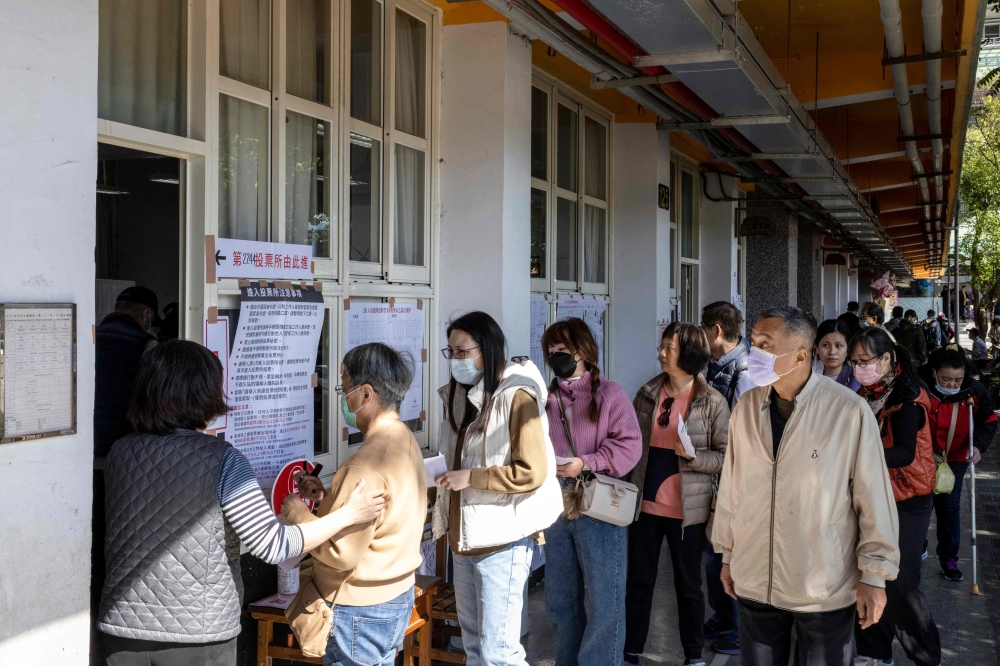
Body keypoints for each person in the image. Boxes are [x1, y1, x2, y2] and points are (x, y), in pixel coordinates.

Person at [98, 341, 385, 665]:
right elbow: (273, 546)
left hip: (120, 628)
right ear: (203, 394)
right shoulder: (222, 459)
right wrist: (347, 514)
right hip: (197, 634)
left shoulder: (120, 452)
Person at [712, 306, 899, 666]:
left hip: (822, 587)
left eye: (766, 344)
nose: (755, 353)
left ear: (799, 355)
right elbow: (733, 489)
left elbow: (873, 498)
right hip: (754, 579)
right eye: (755, 342)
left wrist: (875, 577)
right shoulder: (747, 407)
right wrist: (728, 555)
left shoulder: (848, 411)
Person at [431, 311, 563, 666]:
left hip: (502, 543)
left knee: (499, 654)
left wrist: (470, 478)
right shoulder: (464, 393)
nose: (456, 360)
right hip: (465, 540)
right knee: (474, 649)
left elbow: (532, 471)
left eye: (462, 352)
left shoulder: (517, 395)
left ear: (486, 348)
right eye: (451, 352)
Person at [284, 342, 427, 666]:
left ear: (365, 394)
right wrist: (329, 499)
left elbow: (341, 552)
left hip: (359, 608)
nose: (341, 398)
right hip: (394, 594)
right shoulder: (403, 436)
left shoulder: (364, 463)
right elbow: (384, 515)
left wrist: (299, 514)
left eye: (343, 388)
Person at [625, 322, 730, 666]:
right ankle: (631, 652)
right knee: (639, 583)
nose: (662, 353)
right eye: (663, 346)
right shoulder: (646, 393)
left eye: (670, 348)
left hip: (689, 512)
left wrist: (695, 458)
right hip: (645, 507)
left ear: (690, 353)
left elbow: (726, 457)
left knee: (688, 587)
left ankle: (694, 656)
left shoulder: (712, 401)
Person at [540, 318, 643, 666]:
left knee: (604, 598)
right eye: (551, 351)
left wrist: (586, 462)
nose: (556, 357)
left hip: (597, 498)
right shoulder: (546, 397)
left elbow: (631, 447)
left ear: (583, 352)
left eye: (562, 351)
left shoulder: (609, 393)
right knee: (559, 598)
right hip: (555, 498)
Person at [850, 327, 941, 666]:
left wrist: (853, 457)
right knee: (867, 574)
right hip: (874, 494)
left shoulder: (907, 398)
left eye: (865, 360)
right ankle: (874, 651)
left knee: (900, 583)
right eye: (854, 361)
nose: (858, 367)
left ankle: (926, 656)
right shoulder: (866, 392)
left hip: (907, 499)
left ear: (887, 358)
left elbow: (903, 453)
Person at [91, 285, 160, 657]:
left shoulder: (91, 335)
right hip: (122, 462)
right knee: (113, 545)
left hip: (81, 459)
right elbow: (147, 408)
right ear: (146, 315)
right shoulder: (145, 346)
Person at [699, 301, 753, 655]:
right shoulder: (713, 365)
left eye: (704, 330)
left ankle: (739, 626)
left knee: (730, 551)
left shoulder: (745, 370)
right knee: (712, 549)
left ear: (716, 330)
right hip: (715, 471)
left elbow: (746, 429)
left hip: (736, 474)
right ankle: (723, 613)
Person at [920, 348, 997, 581]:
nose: (952, 384)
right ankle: (917, 547)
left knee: (949, 508)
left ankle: (949, 558)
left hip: (955, 458)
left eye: (957, 379)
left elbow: (989, 422)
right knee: (921, 505)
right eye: (946, 379)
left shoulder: (975, 392)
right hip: (922, 458)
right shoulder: (920, 387)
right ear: (934, 373)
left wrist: (978, 447)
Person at [813, 319, 862, 391]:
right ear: (817, 347)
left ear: (848, 348)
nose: (832, 352)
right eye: (825, 345)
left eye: (838, 345)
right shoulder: (809, 376)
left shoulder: (858, 379)